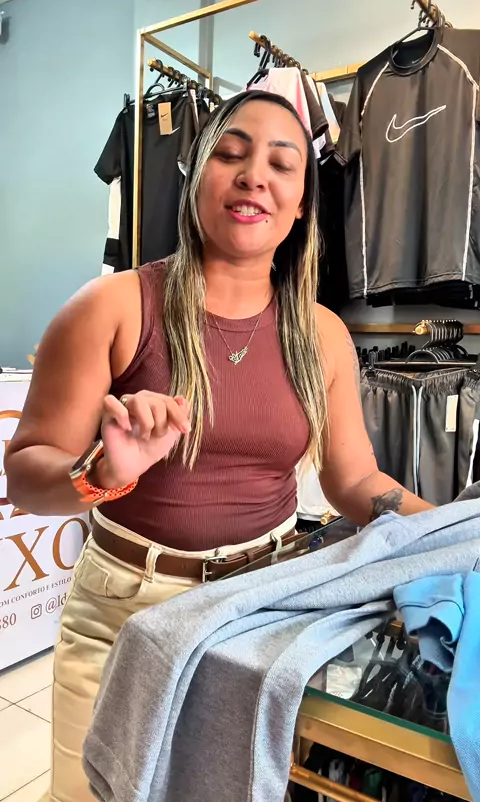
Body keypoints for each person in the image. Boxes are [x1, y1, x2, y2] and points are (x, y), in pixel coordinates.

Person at [5, 90, 432, 802]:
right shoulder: (112, 307)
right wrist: (99, 472)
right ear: (196, 176)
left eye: (281, 164)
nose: (253, 176)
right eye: (230, 154)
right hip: (125, 613)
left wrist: (450, 529)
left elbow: (355, 480)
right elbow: (24, 476)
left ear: (302, 204)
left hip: (259, 609)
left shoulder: (323, 335)